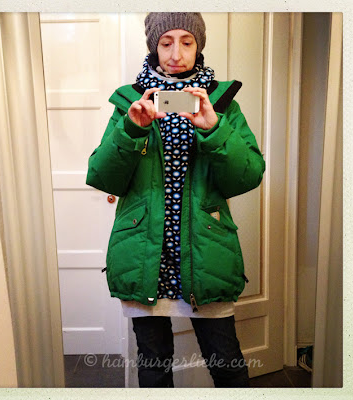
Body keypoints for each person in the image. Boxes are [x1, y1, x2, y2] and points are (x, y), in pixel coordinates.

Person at [86, 12, 265, 388]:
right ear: (154, 46)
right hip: (144, 252)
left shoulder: (222, 103)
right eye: (166, 42)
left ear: (199, 45)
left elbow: (248, 175)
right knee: (153, 366)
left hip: (205, 252)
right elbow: (103, 176)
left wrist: (214, 130)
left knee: (227, 364)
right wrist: (131, 130)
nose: (176, 53)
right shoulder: (130, 102)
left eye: (187, 42)